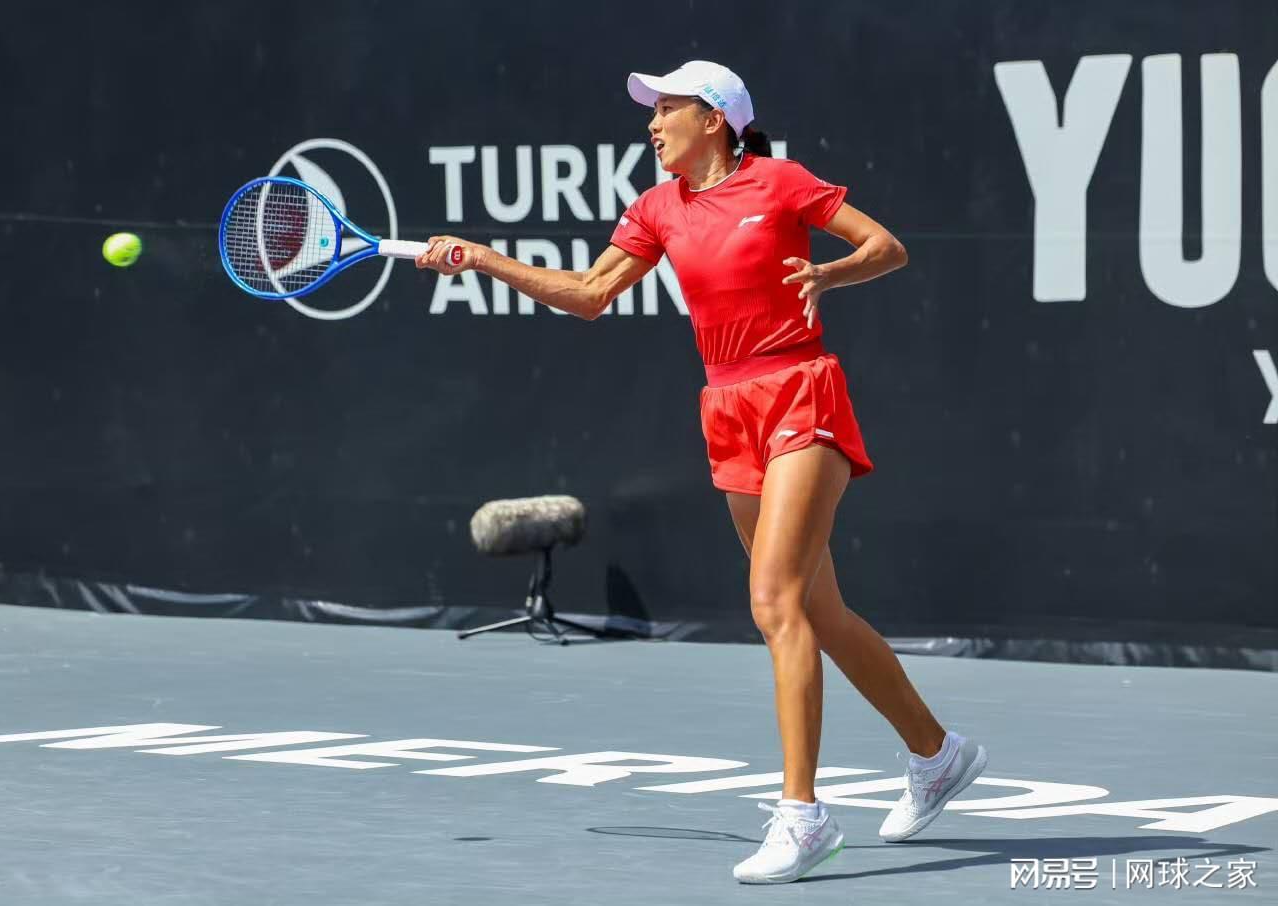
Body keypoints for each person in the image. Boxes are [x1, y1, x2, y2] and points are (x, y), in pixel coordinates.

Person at [416, 60, 988, 884]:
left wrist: (828, 273)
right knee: (819, 611)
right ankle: (937, 755)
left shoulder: (780, 182)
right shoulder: (657, 208)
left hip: (800, 391)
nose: (652, 123)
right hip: (728, 409)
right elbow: (589, 293)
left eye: (667, 108)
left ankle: (804, 817)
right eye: (651, 111)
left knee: (774, 601)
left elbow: (885, 248)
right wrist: (483, 258)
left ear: (714, 118)